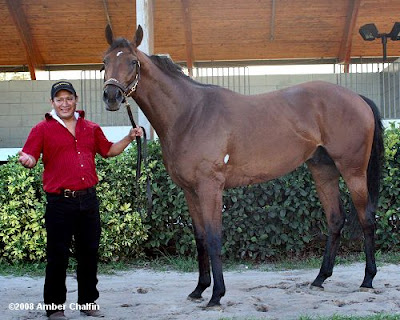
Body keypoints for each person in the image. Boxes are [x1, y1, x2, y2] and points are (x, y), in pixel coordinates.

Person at [18, 81, 142, 320]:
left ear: (76, 99)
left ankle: (88, 302)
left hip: (88, 201)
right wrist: (28, 161)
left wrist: (128, 137)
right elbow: (31, 156)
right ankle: (54, 309)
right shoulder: (41, 129)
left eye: (68, 98)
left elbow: (108, 151)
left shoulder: (91, 128)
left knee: (89, 254)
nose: (64, 103)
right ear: (52, 103)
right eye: (59, 99)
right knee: (57, 257)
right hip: (59, 203)